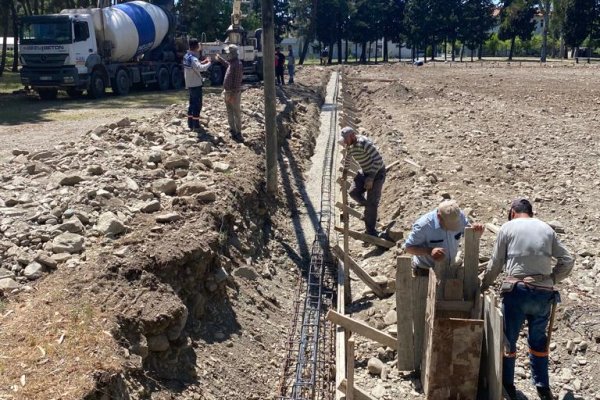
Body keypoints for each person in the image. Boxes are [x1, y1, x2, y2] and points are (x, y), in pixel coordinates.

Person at [480, 198, 574, 400]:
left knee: (509, 340)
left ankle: (507, 386)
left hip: (517, 291)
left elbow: (496, 263)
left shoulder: (508, 228)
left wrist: (484, 284)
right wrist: (552, 279)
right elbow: (568, 259)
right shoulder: (547, 229)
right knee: (538, 340)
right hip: (543, 294)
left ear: (513, 212)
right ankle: (542, 387)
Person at [404, 200, 484, 275]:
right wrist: (430, 251)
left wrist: (477, 231)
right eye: (448, 226)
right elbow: (408, 248)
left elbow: (469, 234)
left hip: (450, 267)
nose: (451, 229)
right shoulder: (424, 226)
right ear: (439, 217)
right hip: (426, 270)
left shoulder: (459, 216)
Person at [338, 127, 386, 237]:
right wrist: (344, 174)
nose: (345, 142)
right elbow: (347, 160)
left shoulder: (364, 143)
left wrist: (371, 178)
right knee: (353, 192)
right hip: (365, 171)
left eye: (346, 139)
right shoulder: (350, 146)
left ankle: (371, 231)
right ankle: (368, 210)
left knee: (372, 202)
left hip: (377, 173)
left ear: (352, 135)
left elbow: (378, 161)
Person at [215, 45, 244, 142]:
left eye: (228, 53)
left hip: (233, 93)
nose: (227, 55)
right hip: (227, 92)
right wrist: (220, 59)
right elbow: (227, 65)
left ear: (233, 54)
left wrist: (232, 95)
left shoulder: (238, 64)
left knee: (236, 112)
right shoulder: (232, 63)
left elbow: (237, 82)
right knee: (229, 111)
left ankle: (239, 133)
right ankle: (233, 129)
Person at [183, 39, 211, 131]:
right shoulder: (193, 58)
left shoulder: (186, 56)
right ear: (196, 47)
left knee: (191, 104)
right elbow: (200, 68)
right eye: (198, 45)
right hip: (196, 84)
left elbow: (194, 66)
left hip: (189, 83)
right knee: (197, 105)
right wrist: (209, 63)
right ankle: (196, 125)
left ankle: (190, 123)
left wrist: (203, 62)